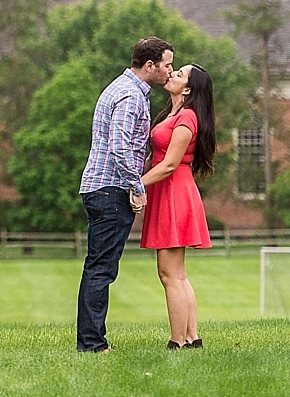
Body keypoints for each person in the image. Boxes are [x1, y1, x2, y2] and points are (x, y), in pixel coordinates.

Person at [76, 36, 174, 353]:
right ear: (150, 65)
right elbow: (120, 147)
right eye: (167, 65)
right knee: (101, 269)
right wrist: (137, 186)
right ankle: (91, 344)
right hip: (111, 191)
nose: (169, 71)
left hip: (100, 188)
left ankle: (92, 339)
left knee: (98, 267)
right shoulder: (131, 96)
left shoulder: (122, 88)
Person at [140, 63, 216, 349]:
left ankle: (177, 342)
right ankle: (192, 337)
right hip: (169, 191)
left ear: (187, 89)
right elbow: (158, 158)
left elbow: (170, 164)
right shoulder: (173, 114)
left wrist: (137, 186)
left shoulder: (186, 118)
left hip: (174, 192)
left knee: (169, 274)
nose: (172, 74)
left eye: (180, 74)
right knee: (178, 274)